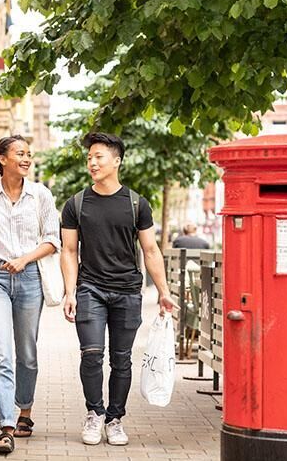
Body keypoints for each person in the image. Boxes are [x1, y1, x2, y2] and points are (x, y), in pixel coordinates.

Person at [60, 132, 178, 446]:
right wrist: (70, 291)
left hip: (127, 291)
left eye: (98, 156)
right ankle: (94, 413)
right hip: (90, 289)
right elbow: (69, 251)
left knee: (122, 359)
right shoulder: (76, 203)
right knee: (91, 355)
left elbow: (151, 251)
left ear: (117, 160)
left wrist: (164, 292)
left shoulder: (137, 203)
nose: (92, 163)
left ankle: (115, 419)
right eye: (89, 158)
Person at [0, 135, 60, 454]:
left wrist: (25, 259)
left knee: (27, 353)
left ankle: (25, 411)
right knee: (1, 353)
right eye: (20, 153)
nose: (27, 158)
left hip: (30, 277)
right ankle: (6, 426)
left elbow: (52, 241)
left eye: (29, 154)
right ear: (2, 159)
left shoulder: (41, 196)